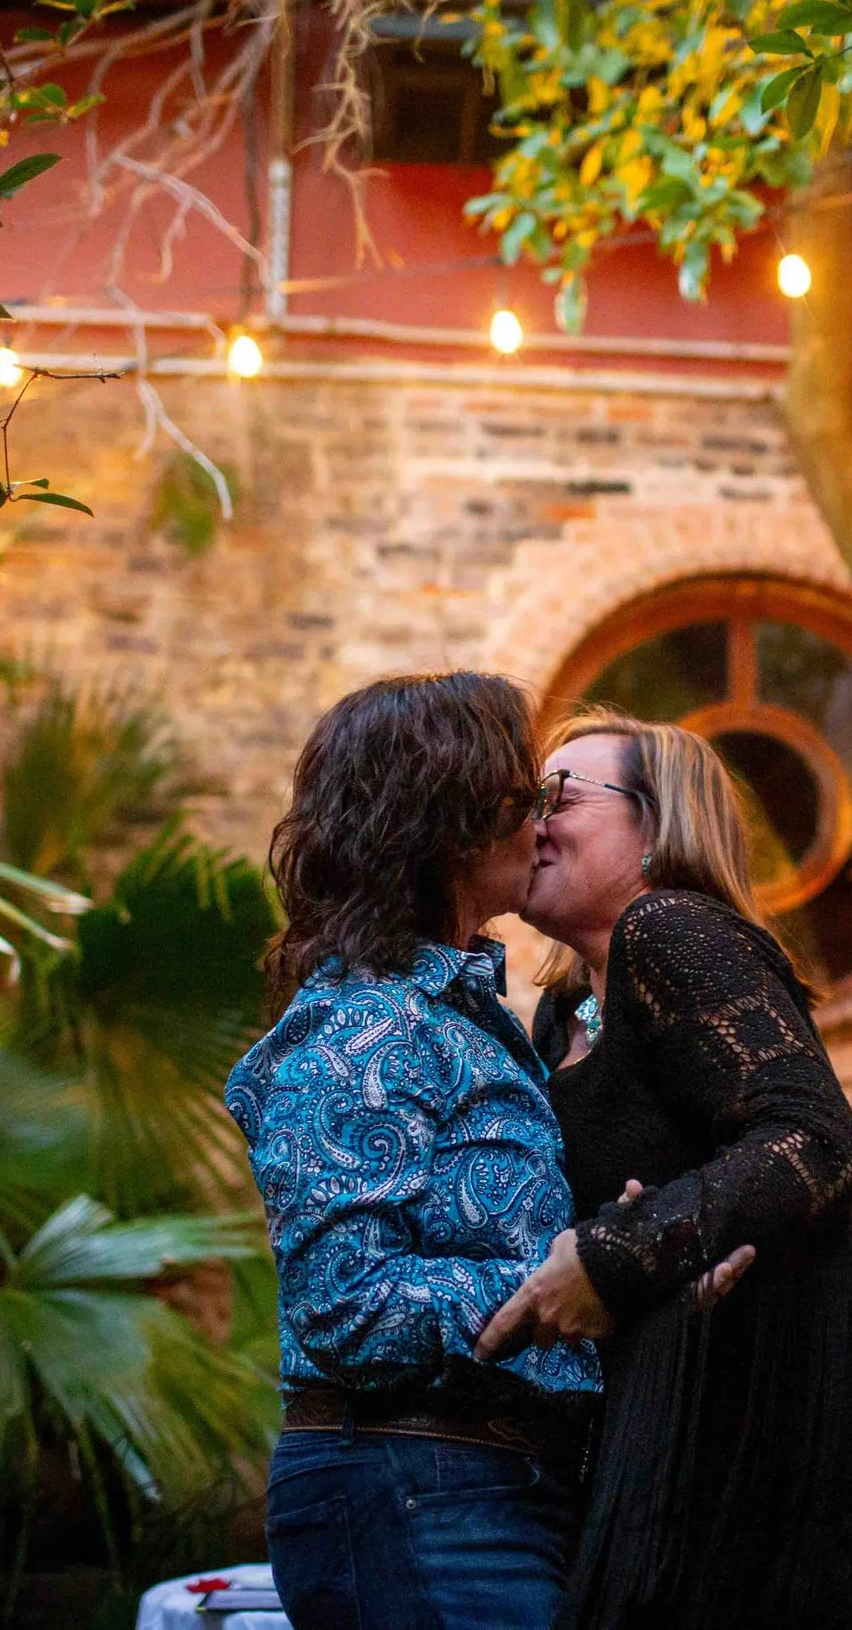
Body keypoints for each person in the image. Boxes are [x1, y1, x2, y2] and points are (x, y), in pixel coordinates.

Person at [476, 705, 852, 1630]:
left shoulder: (672, 929)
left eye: (561, 794)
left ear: (658, 826)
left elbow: (814, 1141)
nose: (535, 817)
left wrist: (619, 1252)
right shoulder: (558, 1014)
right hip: (654, 1419)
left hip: (758, 1437)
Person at [224, 672, 599, 1630]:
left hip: (481, 1482)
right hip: (414, 1488)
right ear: (451, 822)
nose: (543, 825)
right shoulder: (365, 1024)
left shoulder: (458, 1013)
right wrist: (560, 1287)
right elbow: (345, 1302)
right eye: (529, 799)